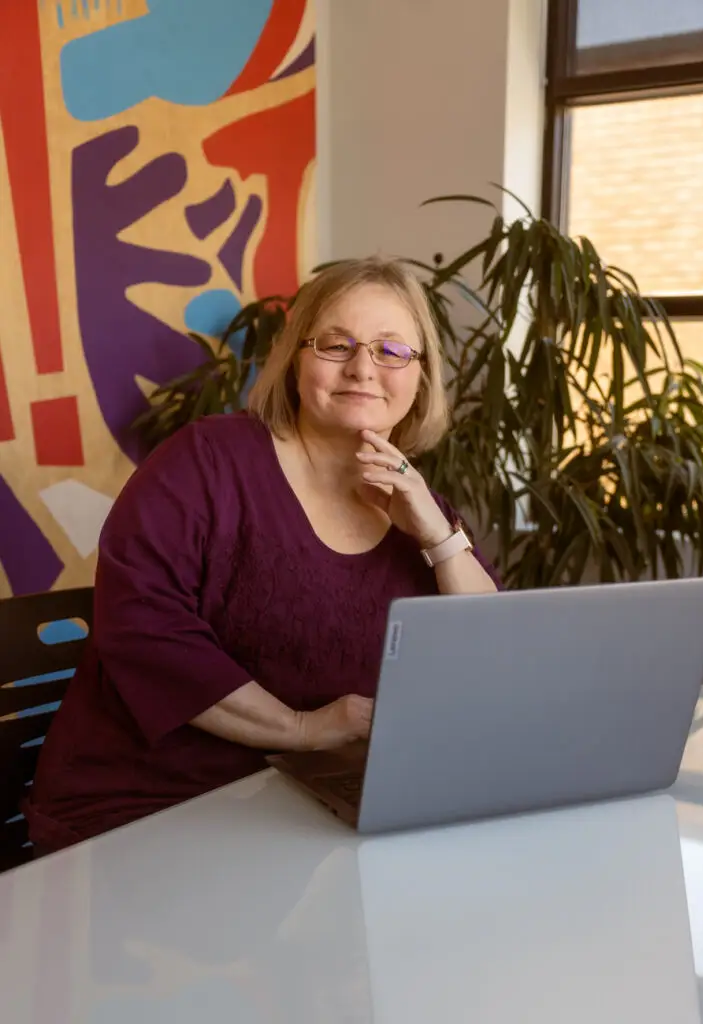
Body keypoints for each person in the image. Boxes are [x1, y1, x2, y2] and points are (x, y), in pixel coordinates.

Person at [25, 257, 500, 852]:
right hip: (151, 807)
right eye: (336, 345)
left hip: (308, 806)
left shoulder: (417, 501)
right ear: (295, 357)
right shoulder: (206, 463)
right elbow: (143, 630)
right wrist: (300, 728)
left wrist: (439, 535)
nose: (362, 368)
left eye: (391, 350)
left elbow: (493, 656)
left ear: (420, 376)